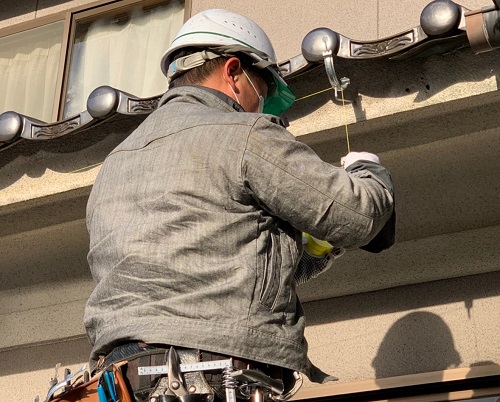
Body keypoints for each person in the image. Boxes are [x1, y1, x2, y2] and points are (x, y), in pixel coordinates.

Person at [84, 8, 395, 402]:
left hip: (121, 379)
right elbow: (358, 215)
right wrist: (369, 172)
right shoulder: (244, 134)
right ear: (233, 72)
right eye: (262, 92)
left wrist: (312, 250)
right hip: (211, 376)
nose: (261, 107)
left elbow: (223, 269)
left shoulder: (115, 164)